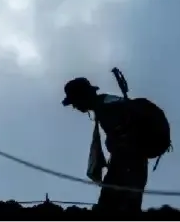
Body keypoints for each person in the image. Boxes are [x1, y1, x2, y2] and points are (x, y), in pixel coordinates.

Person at [62, 76, 149, 215]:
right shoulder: (108, 103)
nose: (75, 106)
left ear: (83, 97)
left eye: (75, 101)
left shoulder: (106, 108)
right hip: (134, 164)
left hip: (127, 165)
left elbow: (124, 139)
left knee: (112, 208)